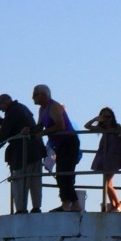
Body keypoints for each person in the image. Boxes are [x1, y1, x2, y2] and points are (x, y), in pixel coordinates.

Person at [27, 84, 81, 212]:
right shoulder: (42, 109)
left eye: (35, 94)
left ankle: (74, 204)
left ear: (44, 95)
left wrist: (43, 133)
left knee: (64, 173)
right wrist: (30, 131)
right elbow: (40, 126)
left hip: (69, 142)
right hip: (60, 144)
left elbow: (60, 126)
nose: (32, 97)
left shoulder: (54, 106)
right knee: (61, 173)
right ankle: (67, 203)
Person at [0, 94, 45, 214]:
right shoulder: (22, 108)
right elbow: (11, 125)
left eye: (2, 108)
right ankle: (36, 208)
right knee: (35, 181)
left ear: (5, 103)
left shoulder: (12, 111)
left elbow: (4, 131)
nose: (3, 110)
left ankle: (21, 209)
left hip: (23, 154)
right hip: (37, 151)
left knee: (20, 181)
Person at [84, 107, 121, 212]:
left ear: (112, 117)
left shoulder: (117, 127)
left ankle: (119, 205)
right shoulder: (103, 129)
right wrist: (95, 119)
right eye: (104, 117)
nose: (106, 119)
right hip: (106, 155)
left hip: (115, 156)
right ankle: (114, 204)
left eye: (108, 116)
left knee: (107, 182)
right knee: (107, 183)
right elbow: (87, 126)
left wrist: (119, 133)